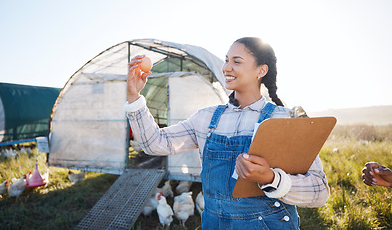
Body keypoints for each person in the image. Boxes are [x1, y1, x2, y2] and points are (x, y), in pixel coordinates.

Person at [125, 37, 330, 229]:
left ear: (261, 70)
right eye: (226, 60)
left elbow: (319, 191)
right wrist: (134, 97)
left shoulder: (285, 119)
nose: (226, 67)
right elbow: (154, 143)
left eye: (236, 61)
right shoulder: (205, 119)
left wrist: (271, 178)